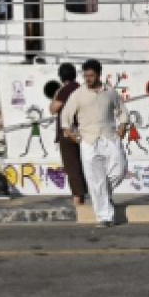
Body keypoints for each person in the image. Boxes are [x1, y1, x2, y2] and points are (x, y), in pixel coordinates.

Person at [60, 59, 129, 228]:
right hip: (88, 141)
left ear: (98, 74)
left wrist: (122, 127)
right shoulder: (77, 95)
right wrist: (74, 136)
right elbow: (65, 118)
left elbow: (122, 111)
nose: (88, 79)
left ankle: (102, 196)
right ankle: (105, 217)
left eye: (91, 75)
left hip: (110, 137)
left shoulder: (110, 92)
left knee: (120, 170)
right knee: (95, 180)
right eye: (85, 76)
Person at [48, 62, 88, 207]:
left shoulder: (65, 90)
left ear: (61, 76)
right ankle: (83, 196)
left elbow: (53, 108)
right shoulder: (81, 88)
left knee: (72, 166)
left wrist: (57, 93)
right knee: (82, 164)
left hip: (67, 133)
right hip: (82, 131)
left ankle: (78, 199)